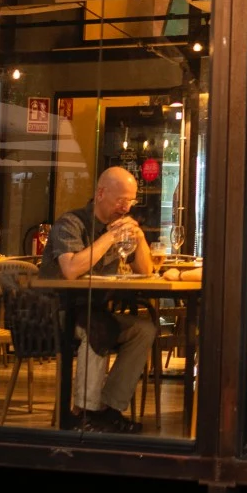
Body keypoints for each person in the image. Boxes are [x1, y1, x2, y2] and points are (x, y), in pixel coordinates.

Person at [39, 166, 155, 433]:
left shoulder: (119, 227)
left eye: (131, 201)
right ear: (101, 193)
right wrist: (109, 237)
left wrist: (139, 237)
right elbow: (70, 270)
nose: (126, 207)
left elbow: (146, 271)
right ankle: (84, 413)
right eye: (121, 200)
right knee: (98, 327)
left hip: (96, 309)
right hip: (57, 311)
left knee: (143, 329)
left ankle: (109, 408)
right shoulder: (71, 223)